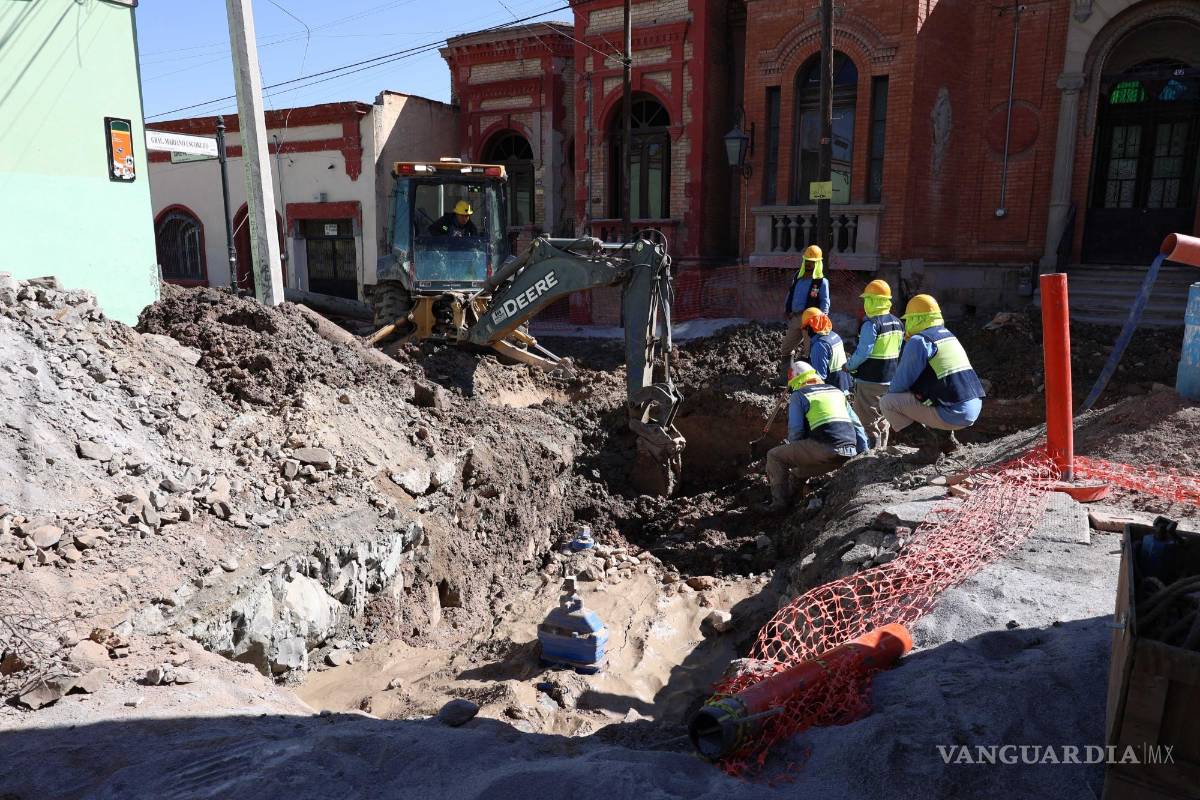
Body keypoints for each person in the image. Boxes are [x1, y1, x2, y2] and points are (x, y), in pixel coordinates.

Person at [880, 294, 985, 464]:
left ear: (917, 319)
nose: (907, 324)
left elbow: (899, 385)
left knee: (887, 403)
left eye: (909, 319)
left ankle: (928, 449)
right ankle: (947, 443)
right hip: (973, 406)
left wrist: (892, 394)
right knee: (925, 396)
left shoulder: (919, 341)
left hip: (954, 413)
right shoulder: (948, 336)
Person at [765, 360, 868, 511]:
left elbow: (796, 430)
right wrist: (864, 454)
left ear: (795, 381)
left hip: (825, 447)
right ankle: (794, 499)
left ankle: (779, 504)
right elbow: (857, 425)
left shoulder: (799, 395)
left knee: (774, 456)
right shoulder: (836, 391)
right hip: (849, 450)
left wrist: (796, 453)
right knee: (798, 472)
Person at [845, 279, 904, 449]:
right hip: (890, 378)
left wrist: (849, 366)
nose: (865, 303)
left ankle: (869, 453)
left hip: (870, 379)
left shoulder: (871, 324)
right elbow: (899, 349)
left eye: (867, 300)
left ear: (873, 301)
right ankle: (881, 451)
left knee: (866, 419)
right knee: (883, 417)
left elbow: (864, 352)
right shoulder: (898, 322)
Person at [777, 244, 830, 384]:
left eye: (812, 262)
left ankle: (809, 383)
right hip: (795, 318)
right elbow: (790, 294)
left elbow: (825, 303)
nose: (808, 265)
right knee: (786, 347)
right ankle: (786, 379)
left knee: (810, 352)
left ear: (818, 264)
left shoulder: (821, 282)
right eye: (807, 261)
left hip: (811, 322)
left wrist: (820, 321)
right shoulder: (798, 278)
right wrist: (786, 309)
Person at [800, 307, 853, 394]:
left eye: (806, 327)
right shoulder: (834, 336)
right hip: (843, 385)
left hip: (831, 391)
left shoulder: (820, 345)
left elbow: (819, 378)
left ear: (810, 327)